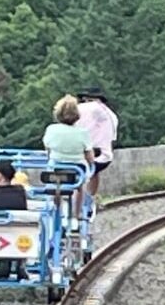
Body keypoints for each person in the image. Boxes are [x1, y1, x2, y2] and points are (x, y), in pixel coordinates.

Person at [44, 95, 94, 228]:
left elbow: (48, 149)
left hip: (56, 168)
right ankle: (75, 216)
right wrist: (91, 164)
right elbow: (89, 155)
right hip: (77, 170)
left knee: (55, 187)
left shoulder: (51, 129)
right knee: (80, 187)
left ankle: (57, 212)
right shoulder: (83, 133)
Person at [79, 86, 119, 202]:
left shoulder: (80, 109)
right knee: (94, 172)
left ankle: (78, 203)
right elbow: (112, 139)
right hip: (103, 157)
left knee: (79, 172)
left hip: (80, 154)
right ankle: (91, 199)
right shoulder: (112, 115)